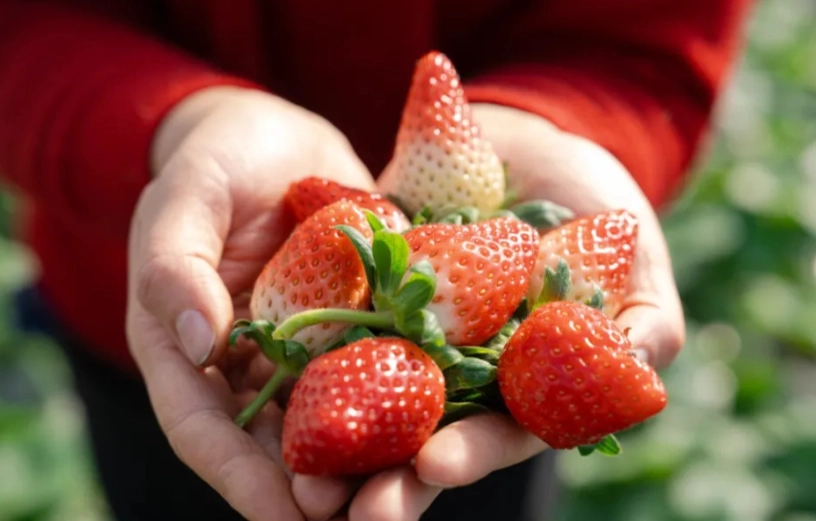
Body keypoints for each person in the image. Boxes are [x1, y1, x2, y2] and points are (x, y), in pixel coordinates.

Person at [0, 1, 754, 520]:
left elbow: (645, 30)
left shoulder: (496, 352)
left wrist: (557, 122)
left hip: (481, 404)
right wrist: (178, 120)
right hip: (180, 318)